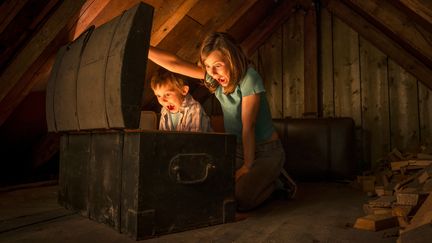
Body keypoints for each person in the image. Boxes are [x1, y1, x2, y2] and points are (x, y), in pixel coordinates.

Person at [148, 32, 294, 211]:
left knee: (241, 199)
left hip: (265, 151)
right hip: (237, 148)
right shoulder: (215, 79)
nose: (213, 73)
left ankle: (277, 182)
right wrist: (144, 47)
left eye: (217, 65)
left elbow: (248, 127)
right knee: (210, 190)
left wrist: (247, 167)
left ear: (232, 59)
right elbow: (175, 63)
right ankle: (261, 179)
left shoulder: (250, 78)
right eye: (208, 67)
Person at [150, 68, 212, 132]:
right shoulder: (164, 110)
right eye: (158, 96)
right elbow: (162, 136)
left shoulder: (194, 109)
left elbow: (193, 139)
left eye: (168, 94)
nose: (163, 100)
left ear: (184, 90)